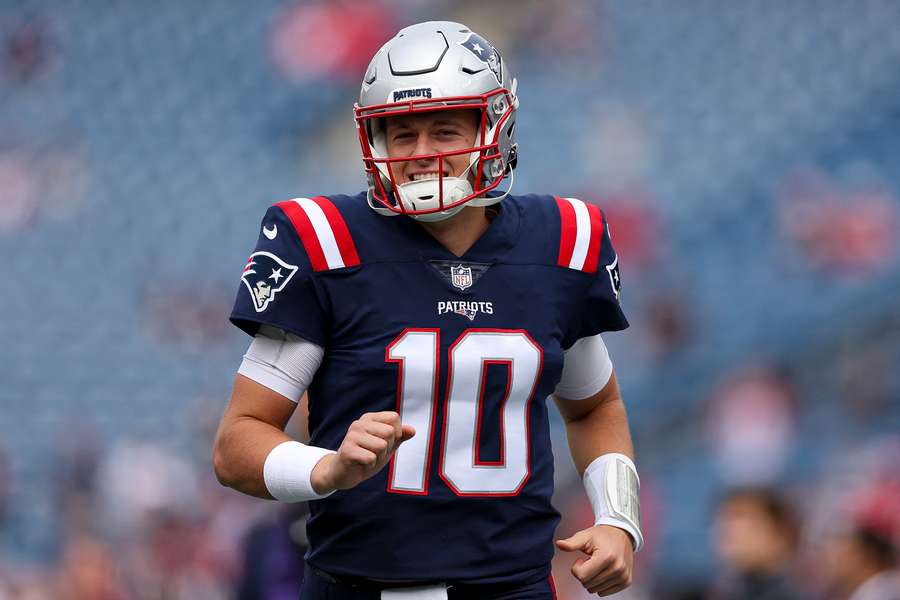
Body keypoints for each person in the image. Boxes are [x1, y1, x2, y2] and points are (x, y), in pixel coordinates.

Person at [213, 21, 642, 599]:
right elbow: (237, 443)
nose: (421, 155)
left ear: (495, 127)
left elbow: (593, 408)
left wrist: (618, 518)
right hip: (358, 586)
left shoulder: (561, 243)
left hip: (511, 589)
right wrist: (324, 468)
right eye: (402, 133)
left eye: (444, 130)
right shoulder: (324, 243)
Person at [709, 488, 804, 600]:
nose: (728, 529)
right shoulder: (725, 588)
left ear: (780, 531)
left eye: (740, 515)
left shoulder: (802, 589)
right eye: (725, 520)